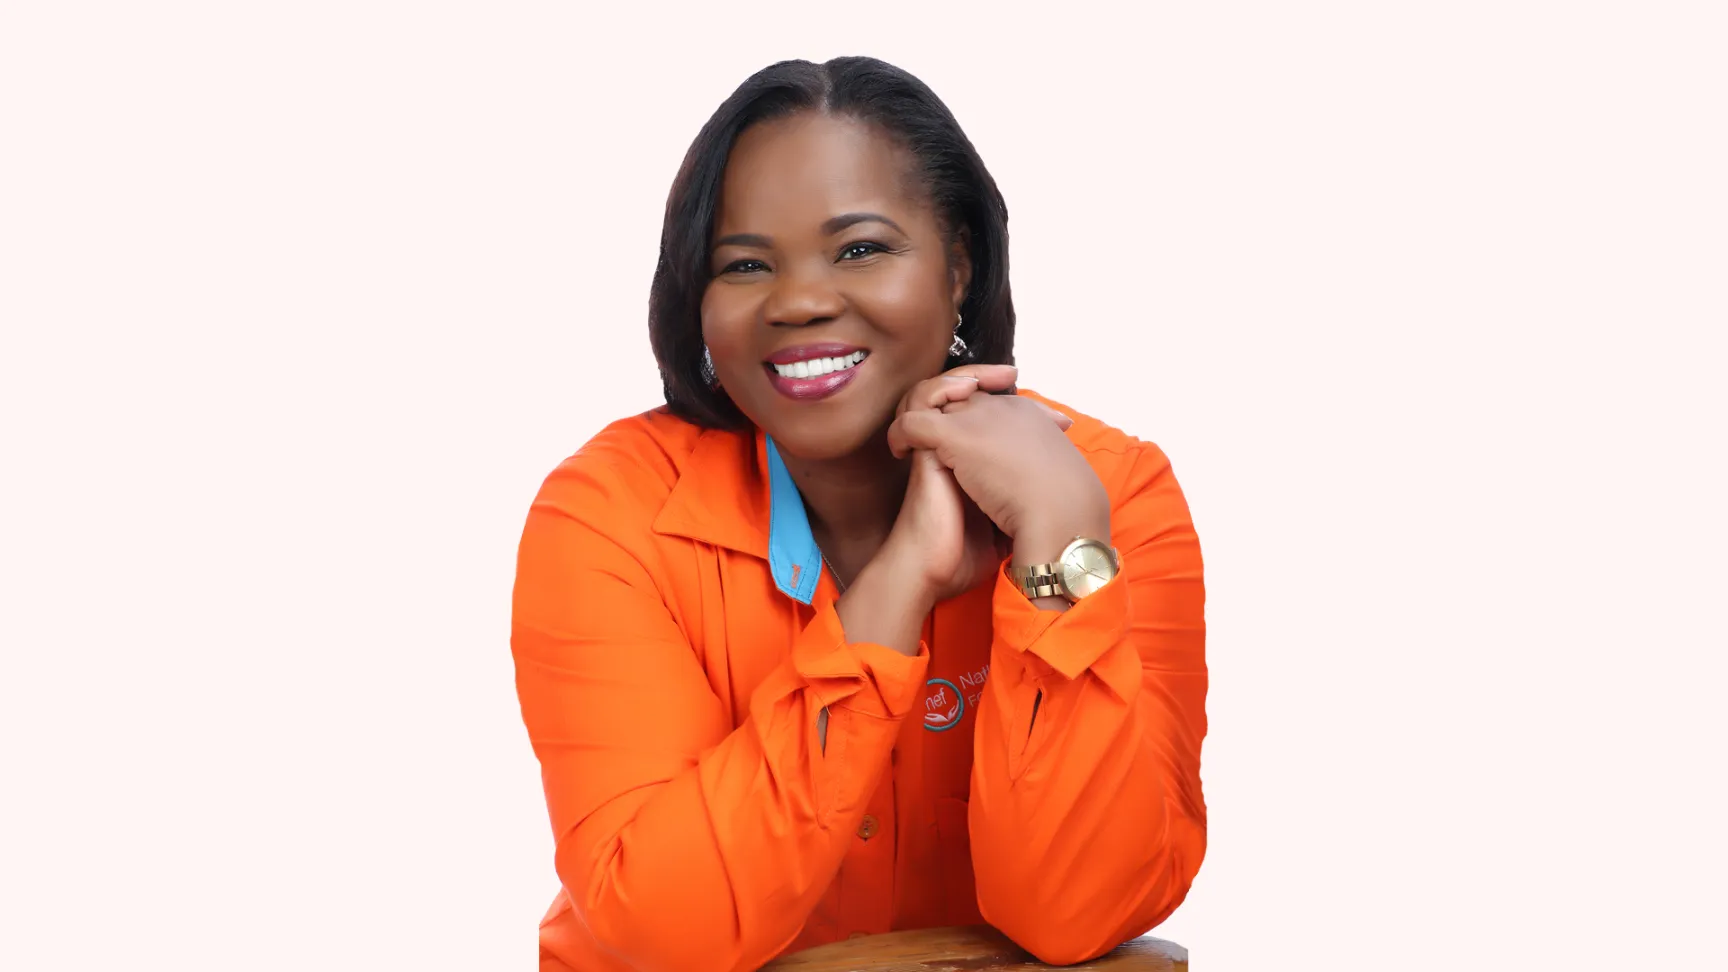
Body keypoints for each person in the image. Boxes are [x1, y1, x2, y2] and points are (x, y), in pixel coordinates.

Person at [511, 56, 1207, 972]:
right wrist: (899, 589)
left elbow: (1077, 911)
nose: (799, 299)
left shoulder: (1107, 493)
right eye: (746, 264)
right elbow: (661, 931)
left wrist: (1059, 554)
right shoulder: (609, 517)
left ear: (959, 264)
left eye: (861, 249)